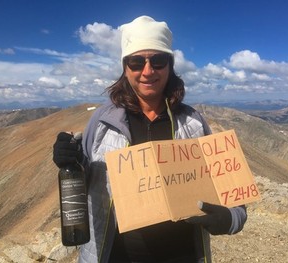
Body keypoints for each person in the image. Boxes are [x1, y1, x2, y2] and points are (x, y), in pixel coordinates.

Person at [53, 15, 247, 263]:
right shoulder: (101, 122)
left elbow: (235, 198)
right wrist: (73, 161)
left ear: (170, 65)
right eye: (136, 62)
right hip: (114, 256)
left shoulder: (193, 123)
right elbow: (89, 182)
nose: (147, 71)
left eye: (158, 60)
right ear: (125, 67)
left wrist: (229, 220)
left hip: (182, 255)